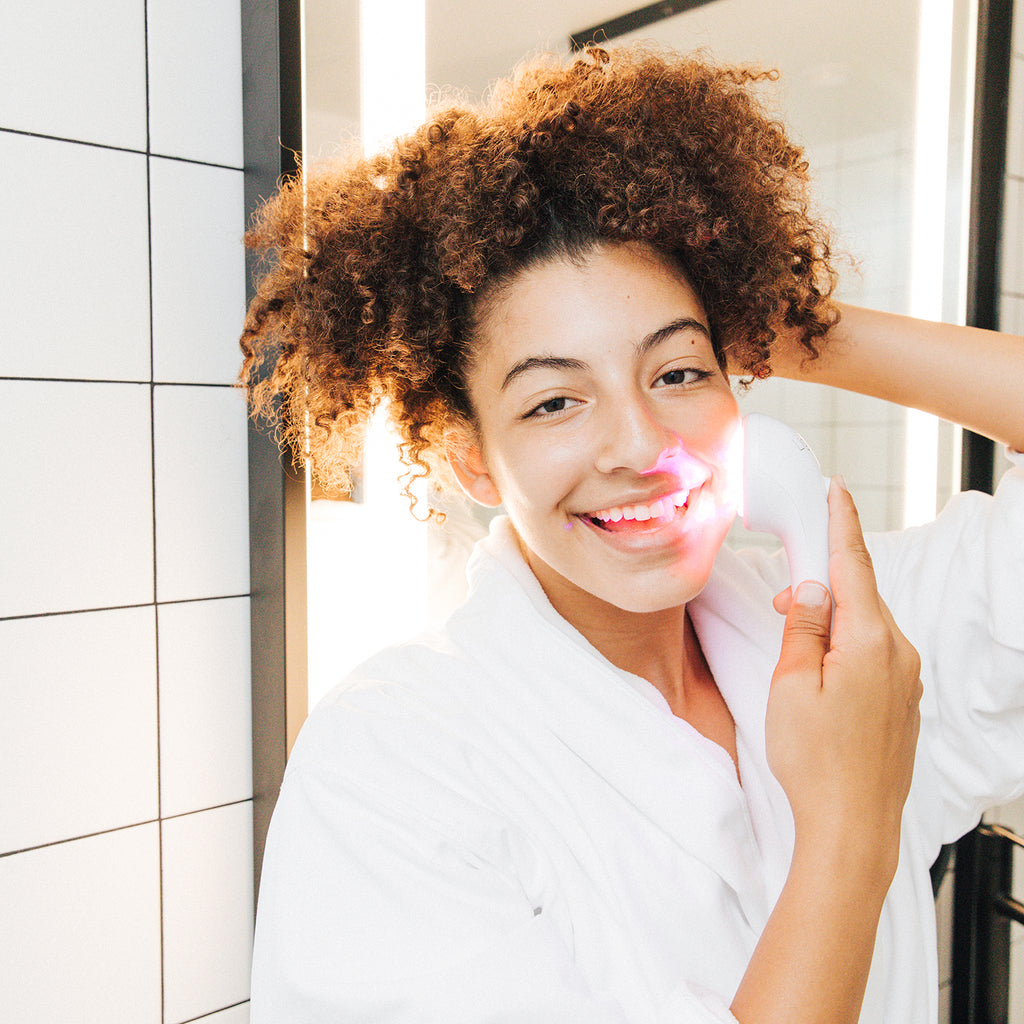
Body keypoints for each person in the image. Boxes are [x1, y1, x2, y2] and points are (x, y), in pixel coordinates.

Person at [240, 45, 1024, 1024]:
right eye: (555, 400)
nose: (643, 445)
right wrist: (847, 832)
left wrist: (799, 326)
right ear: (469, 458)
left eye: (678, 374)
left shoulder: (860, 642)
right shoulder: (390, 765)